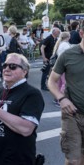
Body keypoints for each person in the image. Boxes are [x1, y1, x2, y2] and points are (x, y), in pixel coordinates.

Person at [0, 53, 44, 165]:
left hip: (19, 160)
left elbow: (26, 129)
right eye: (4, 65)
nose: (6, 69)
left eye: (12, 66)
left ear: (24, 71)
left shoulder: (32, 94)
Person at [48, 25, 84, 165]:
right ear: (81, 33)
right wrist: (61, 98)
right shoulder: (68, 55)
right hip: (72, 114)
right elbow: (51, 81)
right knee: (73, 159)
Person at [51, 32, 71, 107]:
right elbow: (70, 54)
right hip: (65, 66)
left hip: (59, 66)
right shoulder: (65, 44)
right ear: (68, 37)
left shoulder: (59, 43)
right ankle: (61, 100)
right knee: (64, 83)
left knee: (59, 83)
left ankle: (56, 98)